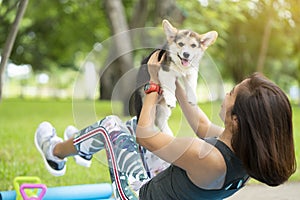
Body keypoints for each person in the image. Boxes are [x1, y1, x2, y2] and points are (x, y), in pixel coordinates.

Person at [35, 51, 296, 200]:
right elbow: (202, 125)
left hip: (136, 196)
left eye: (231, 94)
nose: (226, 95)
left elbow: (145, 136)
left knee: (112, 127)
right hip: (166, 186)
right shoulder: (246, 152)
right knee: (130, 130)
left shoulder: (208, 159)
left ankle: (55, 152)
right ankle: (83, 146)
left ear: (236, 119)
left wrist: (152, 84)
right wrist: (175, 80)